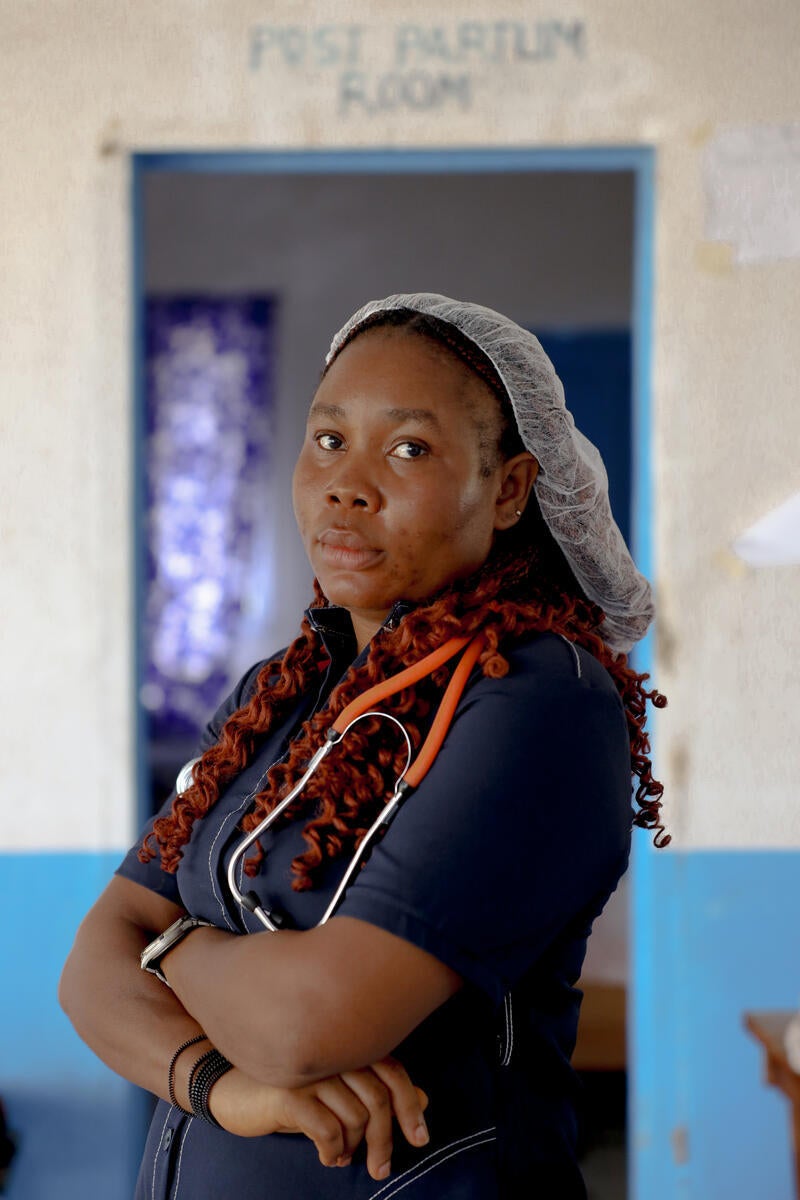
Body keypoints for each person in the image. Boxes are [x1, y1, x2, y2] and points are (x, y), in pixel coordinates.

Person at [60, 292, 668, 1199]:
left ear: (507, 489)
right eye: (330, 439)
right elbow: (86, 972)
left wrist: (169, 945)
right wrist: (226, 1089)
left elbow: (308, 1025)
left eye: (409, 448)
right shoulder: (284, 689)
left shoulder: (539, 702)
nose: (348, 483)